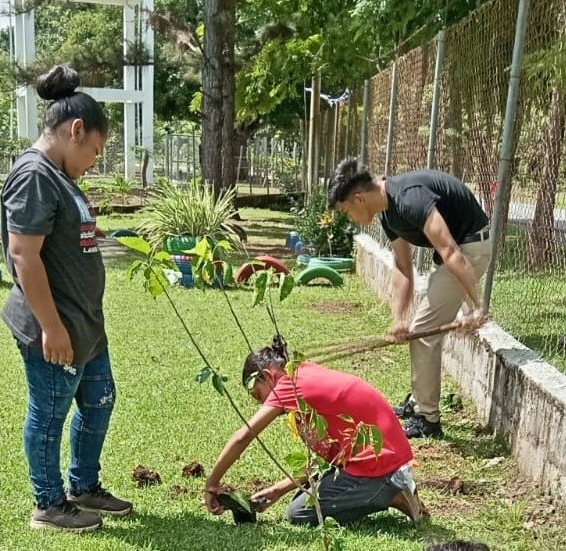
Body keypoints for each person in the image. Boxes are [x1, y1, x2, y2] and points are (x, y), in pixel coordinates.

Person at [0, 65, 131, 532]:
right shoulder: (34, 174)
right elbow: (23, 254)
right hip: (54, 329)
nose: (95, 160)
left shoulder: (57, 175)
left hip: (84, 325)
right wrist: (52, 328)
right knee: (50, 415)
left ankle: (84, 486)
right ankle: (49, 504)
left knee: (100, 400)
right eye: (95, 150)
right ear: (76, 131)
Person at [328, 158, 492, 439]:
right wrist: (398, 319)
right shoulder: (388, 213)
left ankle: (427, 418)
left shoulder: (409, 198)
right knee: (415, 328)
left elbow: (451, 251)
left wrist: (477, 306)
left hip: (470, 248)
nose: (350, 217)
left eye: (346, 211)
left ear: (358, 199)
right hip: (455, 253)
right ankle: (419, 401)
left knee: (423, 333)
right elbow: (403, 268)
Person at [204, 336, 423, 527]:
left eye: (257, 394)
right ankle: (393, 484)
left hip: (380, 465)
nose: (261, 402)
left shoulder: (288, 385)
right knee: (303, 500)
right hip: (382, 457)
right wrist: (279, 489)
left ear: (268, 376)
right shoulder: (303, 372)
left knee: (299, 513)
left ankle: (393, 493)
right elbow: (332, 458)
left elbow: (244, 436)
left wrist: (211, 484)